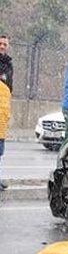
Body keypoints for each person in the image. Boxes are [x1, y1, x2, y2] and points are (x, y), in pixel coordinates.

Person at [0, 34, 12, 192]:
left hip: (3, 111)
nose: (2, 46)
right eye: (0, 43)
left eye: (4, 44)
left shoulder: (8, 63)